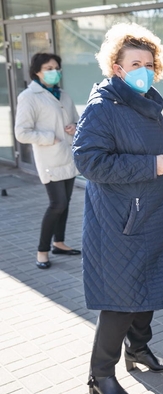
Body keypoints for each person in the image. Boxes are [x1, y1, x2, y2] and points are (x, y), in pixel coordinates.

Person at [72, 23, 163, 394]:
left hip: (153, 217)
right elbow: (87, 161)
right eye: (135, 63)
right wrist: (150, 166)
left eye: (149, 62)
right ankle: (100, 374)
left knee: (149, 293)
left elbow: (158, 161)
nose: (143, 69)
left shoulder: (147, 103)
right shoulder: (102, 108)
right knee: (121, 300)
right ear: (117, 67)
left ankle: (139, 350)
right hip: (120, 223)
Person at [14, 53, 81, 270]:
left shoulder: (63, 95)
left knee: (66, 203)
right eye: (48, 68)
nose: (54, 71)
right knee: (57, 204)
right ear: (37, 72)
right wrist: (48, 137)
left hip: (68, 157)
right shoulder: (29, 96)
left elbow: (78, 120)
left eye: (56, 67)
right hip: (49, 159)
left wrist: (75, 126)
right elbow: (21, 133)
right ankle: (42, 251)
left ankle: (58, 243)